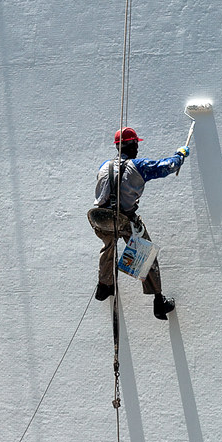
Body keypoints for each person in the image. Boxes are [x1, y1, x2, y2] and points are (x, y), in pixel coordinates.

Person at [87, 126, 190, 321]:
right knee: (146, 253)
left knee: (108, 247)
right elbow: (166, 166)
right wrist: (179, 156)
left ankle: (104, 287)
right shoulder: (138, 165)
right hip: (124, 218)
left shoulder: (103, 165)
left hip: (100, 218)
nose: (137, 148)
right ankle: (159, 302)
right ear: (132, 145)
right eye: (136, 144)